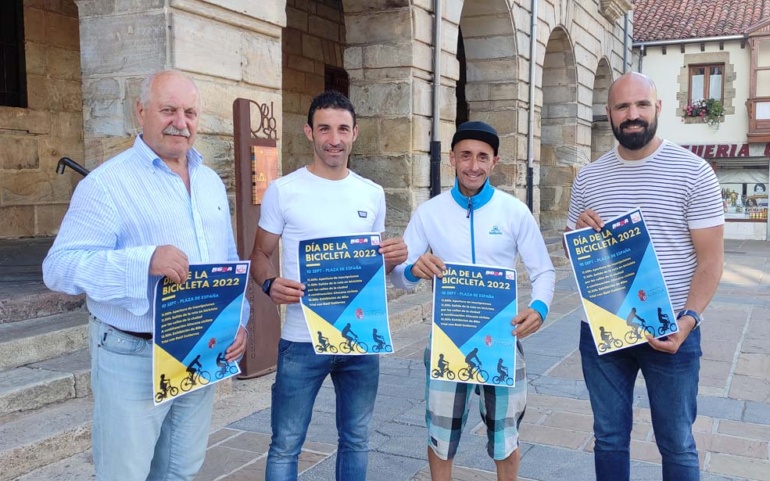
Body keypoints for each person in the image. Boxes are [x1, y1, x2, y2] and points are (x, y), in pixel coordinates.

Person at [42, 69, 249, 481]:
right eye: (168, 109)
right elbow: (59, 268)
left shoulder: (208, 182)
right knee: (126, 474)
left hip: (199, 348)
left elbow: (225, 256)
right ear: (141, 112)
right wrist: (144, 261)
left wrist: (238, 320)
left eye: (190, 112)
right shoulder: (107, 184)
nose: (181, 121)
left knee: (181, 470)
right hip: (132, 354)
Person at [565, 72, 724, 481]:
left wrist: (689, 321)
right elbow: (575, 254)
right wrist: (578, 235)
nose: (632, 115)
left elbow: (710, 261)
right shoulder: (588, 177)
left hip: (670, 329)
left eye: (641, 105)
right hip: (605, 329)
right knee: (610, 438)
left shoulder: (694, 172)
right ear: (609, 114)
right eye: (622, 106)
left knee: (676, 442)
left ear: (658, 109)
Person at [249, 90, 408, 481]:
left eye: (342, 129)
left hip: (359, 339)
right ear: (309, 132)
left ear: (355, 133)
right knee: (286, 443)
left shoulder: (372, 194)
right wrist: (270, 284)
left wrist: (394, 258)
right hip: (302, 340)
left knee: (355, 439)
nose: (333, 138)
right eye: (324, 129)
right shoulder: (284, 190)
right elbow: (259, 254)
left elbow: (377, 267)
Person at [391, 121, 555, 481]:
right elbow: (399, 278)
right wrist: (414, 270)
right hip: (448, 338)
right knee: (441, 433)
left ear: (495, 161)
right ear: (452, 158)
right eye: (465, 155)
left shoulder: (514, 212)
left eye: (482, 157)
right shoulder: (429, 213)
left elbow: (543, 271)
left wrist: (539, 308)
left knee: (506, 435)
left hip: (502, 337)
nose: (473, 165)